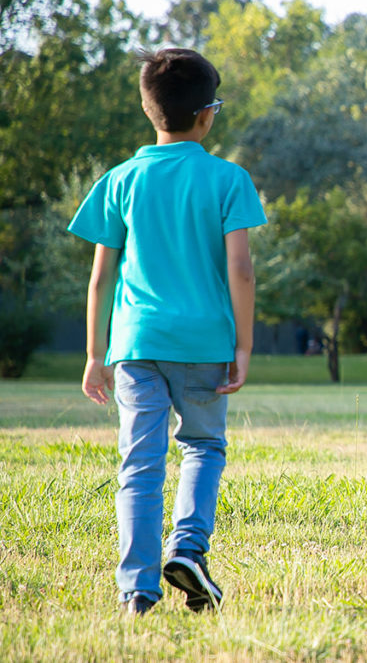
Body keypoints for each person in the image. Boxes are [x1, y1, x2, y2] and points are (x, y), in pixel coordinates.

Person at [68, 48, 266, 616]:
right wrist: (245, 345)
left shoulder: (121, 180)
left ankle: (138, 589)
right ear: (206, 115)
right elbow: (241, 270)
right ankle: (188, 549)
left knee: (140, 464)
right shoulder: (229, 179)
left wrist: (93, 353)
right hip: (204, 343)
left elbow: (101, 276)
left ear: (148, 110)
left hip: (135, 344)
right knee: (202, 445)